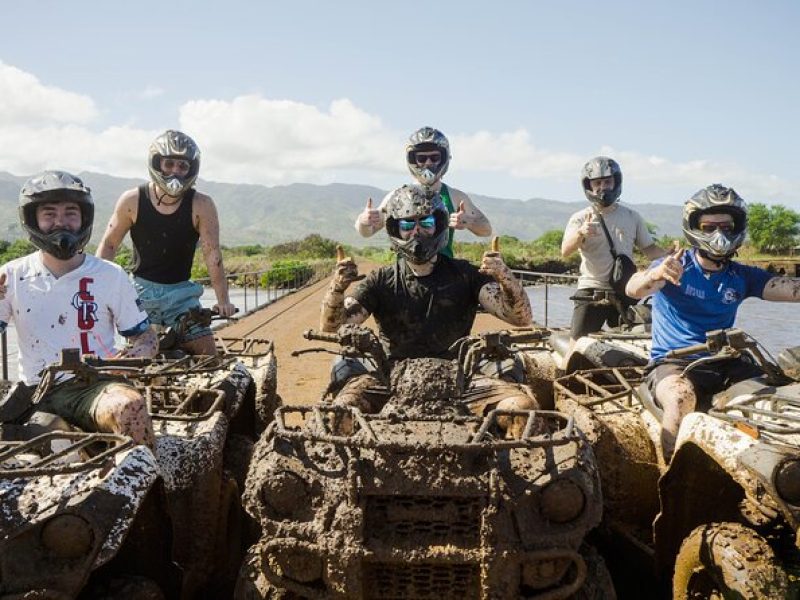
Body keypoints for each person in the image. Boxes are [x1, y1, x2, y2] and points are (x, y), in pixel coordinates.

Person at [324, 184, 533, 419]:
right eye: (406, 224)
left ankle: (495, 452)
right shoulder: (380, 280)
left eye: (426, 223)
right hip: (390, 378)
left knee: (520, 407)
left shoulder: (466, 274)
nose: (416, 232)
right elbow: (334, 327)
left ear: (439, 226)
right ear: (395, 228)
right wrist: (337, 289)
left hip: (459, 379)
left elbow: (521, 317)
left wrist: (506, 277)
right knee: (340, 412)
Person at [626, 184, 800, 459]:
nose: (719, 234)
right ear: (694, 227)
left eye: (726, 227)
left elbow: (790, 289)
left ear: (738, 229)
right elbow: (633, 289)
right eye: (709, 227)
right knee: (680, 400)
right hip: (675, 364)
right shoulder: (673, 265)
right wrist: (654, 275)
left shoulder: (741, 276)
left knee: (778, 401)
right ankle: (670, 472)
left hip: (727, 361)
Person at [0, 171, 157, 448]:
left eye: (70, 213)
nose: (61, 222)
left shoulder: (110, 275)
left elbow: (146, 337)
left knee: (130, 407)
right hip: (32, 391)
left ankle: (152, 485)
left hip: (93, 387)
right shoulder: (11, 276)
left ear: (84, 218)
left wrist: (122, 360)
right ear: (32, 220)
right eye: (49, 214)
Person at [96, 130, 234, 355]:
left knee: (208, 355)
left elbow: (212, 254)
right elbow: (109, 245)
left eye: (182, 166)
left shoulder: (202, 204)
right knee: (135, 361)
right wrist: (98, 292)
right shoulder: (132, 200)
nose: (175, 172)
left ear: (192, 168)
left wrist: (223, 301)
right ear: (156, 164)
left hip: (182, 295)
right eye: (168, 164)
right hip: (140, 293)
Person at [561, 156, 666, 342]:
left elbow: (649, 249)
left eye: (608, 181)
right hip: (592, 290)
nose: (603, 187)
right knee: (576, 342)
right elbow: (565, 251)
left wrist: (671, 256)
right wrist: (581, 233)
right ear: (589, 186)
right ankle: (564, 371)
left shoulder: (632, 216)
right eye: (597, 183)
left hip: (624, 289)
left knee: (635, 342)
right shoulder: (580, 218)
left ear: (616, 182)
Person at [355, 127, 492, 257]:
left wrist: (469, 222)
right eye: (421, 158)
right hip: (407, 274)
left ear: (444, 158)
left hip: (445, 274)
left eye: (434, 157)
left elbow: (487, 230)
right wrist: (364, 221)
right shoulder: (397, 197)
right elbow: (367, 232)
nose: (428, 163)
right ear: (413, 160)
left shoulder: (455, 196)